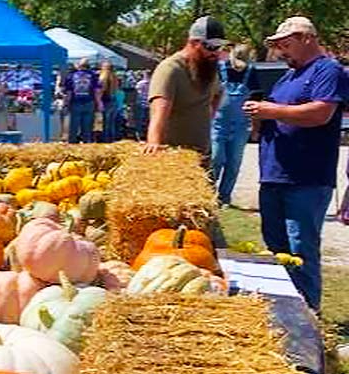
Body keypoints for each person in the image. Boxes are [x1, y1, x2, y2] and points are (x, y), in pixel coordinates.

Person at [243, 16, 346, 311]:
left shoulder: (328, 70)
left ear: (306, 38)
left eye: (285, 45)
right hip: (274, 174)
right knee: (276, 249)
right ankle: (281, 310)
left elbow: (321, 113)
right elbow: (277, 114)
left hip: (307, 177)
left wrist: (271, 110)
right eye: (277, 47)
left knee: (301, 249)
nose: (280, 52)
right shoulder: (288, 76)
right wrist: (259, 118)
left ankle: (308, 316)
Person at [144, 16, 225, 157]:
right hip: (174, 156)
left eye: (219, 47)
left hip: (201, 153)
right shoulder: (170, 69)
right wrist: (154, 143)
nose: (215, 52)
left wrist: (207, 119)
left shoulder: (208, 68)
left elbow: (216, 95)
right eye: (210, 47)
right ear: (193, 43)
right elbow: (159, 111)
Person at [210, 44, 260, 207]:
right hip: (219, 124)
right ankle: (208, 192)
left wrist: (254, 127)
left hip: (241, 125)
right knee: (216, 158)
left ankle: (225, 197)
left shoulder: (251, 73)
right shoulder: (220, 69)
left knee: (234, 162)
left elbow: (256, 101)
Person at [63, 59, 101, 143]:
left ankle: (72, 143)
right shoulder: (93, 75)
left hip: (75, 102)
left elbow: (68, 92)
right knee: (87, 126)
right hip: (89, 102)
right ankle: (86, 143)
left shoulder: (71, 76)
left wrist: (66, 103)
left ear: (79, 66)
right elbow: (96, 91)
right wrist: (99, 104)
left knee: (74, 126)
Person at [99, 61, 120, 142]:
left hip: (106, 101)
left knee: (106, 122)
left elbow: (102, 90)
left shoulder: (103, 77)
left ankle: (106, 139)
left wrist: (98, 101)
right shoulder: (115, 77)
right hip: (114, 100)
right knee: (111, 122)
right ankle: (112, 138)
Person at [134, 70, 152, 139]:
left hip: (141, 104)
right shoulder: (153, 83)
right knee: (148, 121)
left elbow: (137, 91)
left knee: (139, 121)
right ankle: (148, 135)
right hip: (149, 104)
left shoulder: (140, 83)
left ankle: (139, 135)